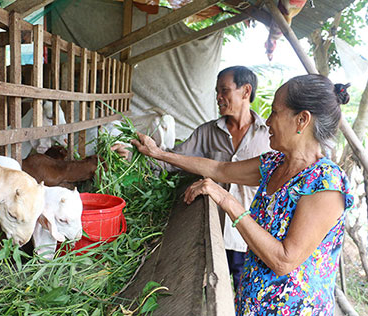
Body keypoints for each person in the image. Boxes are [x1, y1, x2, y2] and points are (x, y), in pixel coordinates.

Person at [131, 74, 354, 315]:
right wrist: (160, 154)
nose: (267, 122)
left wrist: (226, 200)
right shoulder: (274, 164)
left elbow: (284, 260)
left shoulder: (326, 183)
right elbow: (220, 169)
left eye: (275, 112)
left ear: (302, 120)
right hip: (252, 303)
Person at [113, 65, 271, 291]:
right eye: (217, 91)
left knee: (248, 293)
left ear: (246, 91)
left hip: (251, 234)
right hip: (212, 229)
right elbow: (174, 160)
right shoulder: (207, 132)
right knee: (211, 292)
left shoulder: (268, 137)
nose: (218, 97)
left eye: (224, 90)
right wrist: (133, 155)